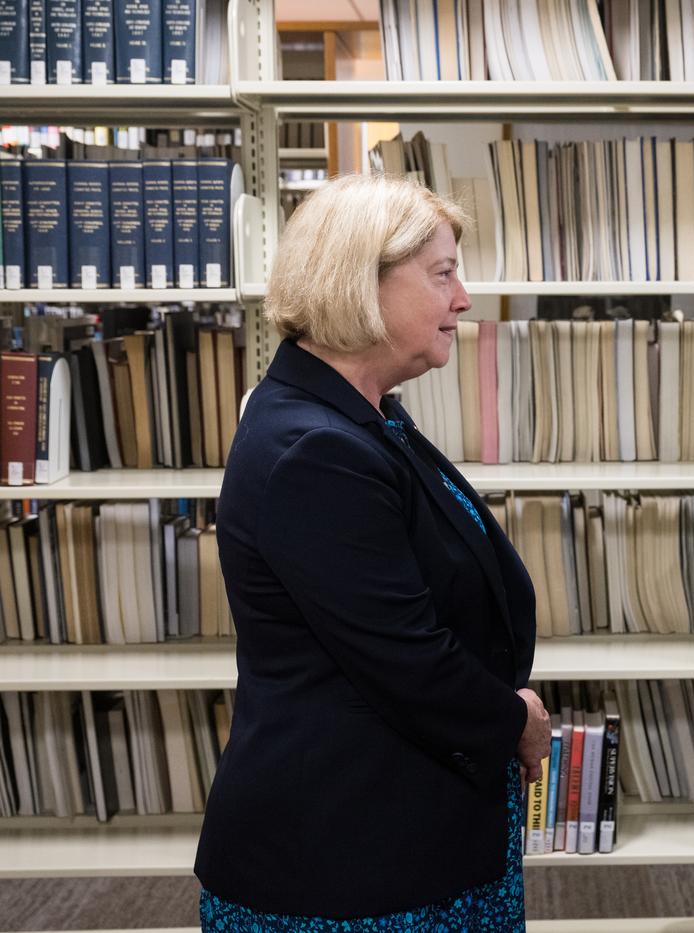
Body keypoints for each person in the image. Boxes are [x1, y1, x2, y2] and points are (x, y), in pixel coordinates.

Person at [194, 173, 550, 930]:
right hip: (344, 863)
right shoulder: (316, 448)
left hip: (392, 834)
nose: (464, 298)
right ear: (363, 281)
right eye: (444, 273)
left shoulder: (358, 414)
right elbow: (405, 657)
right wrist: (512, 719)